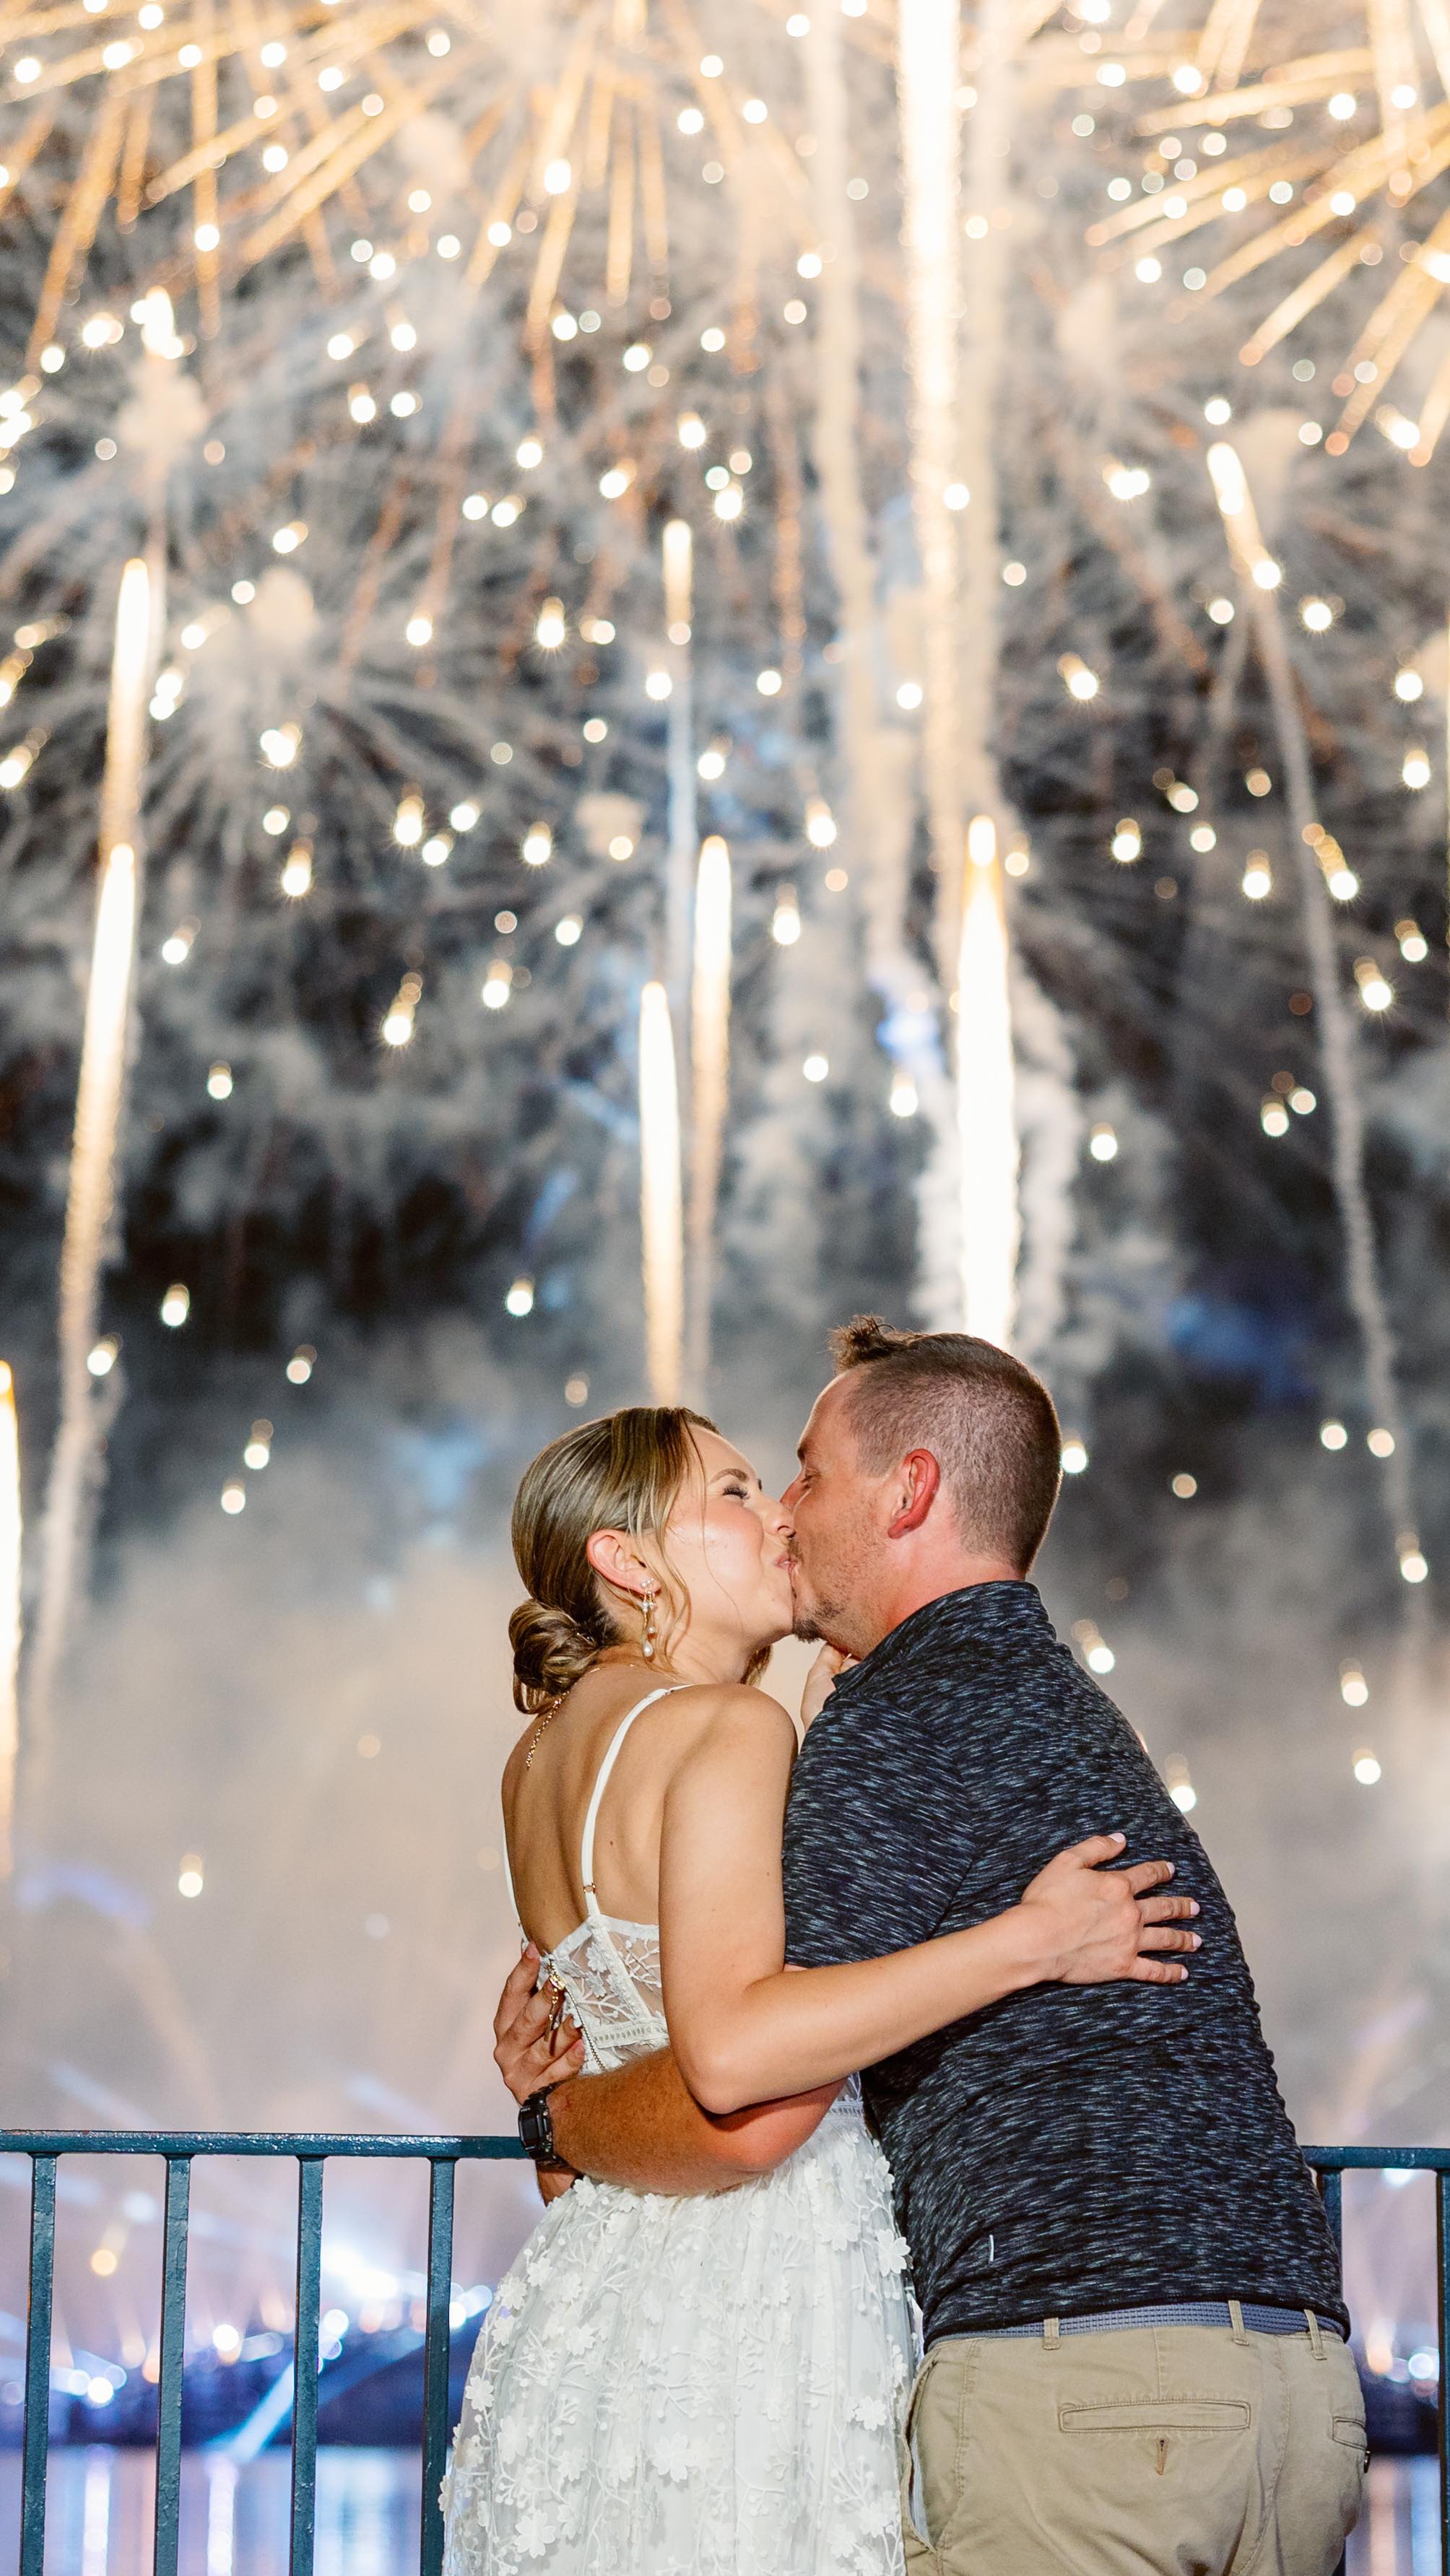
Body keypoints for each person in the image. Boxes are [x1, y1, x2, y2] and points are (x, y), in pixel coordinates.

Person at [493, 1320, 1366, 2576]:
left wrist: (554, 2116)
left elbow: (735, 2092)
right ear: (627, 1561)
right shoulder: (1042, 1705)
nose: (785, 1515)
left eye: (797, 1474)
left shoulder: (843, 1730)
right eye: (745, 1489)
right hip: (1290, 2387)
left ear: (908, 1492)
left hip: (1076, 2387)